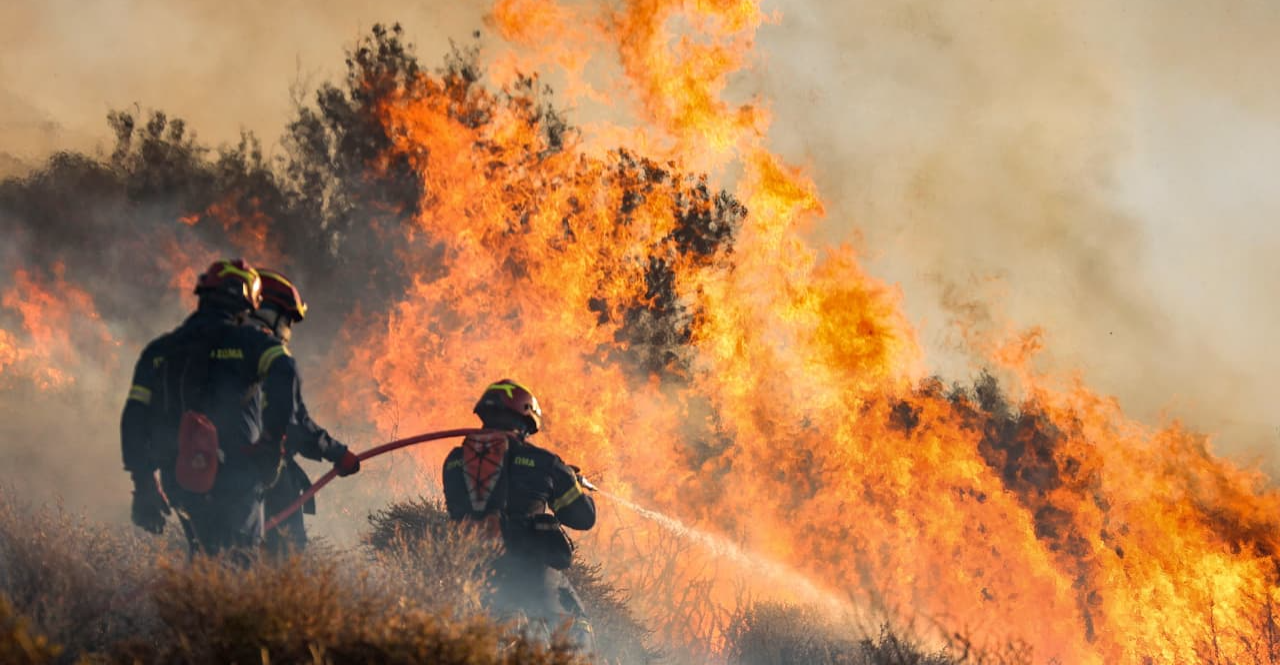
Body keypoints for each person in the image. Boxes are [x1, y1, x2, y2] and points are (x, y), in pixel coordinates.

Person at [120, 258, 298, 556]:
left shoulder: (160, 349)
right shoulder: (251, 343)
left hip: (180, 477)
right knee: (236, 562)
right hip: (237, 476)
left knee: (202, 556)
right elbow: (285, 373)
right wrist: (271, 443)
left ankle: (198, 601)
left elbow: (135, 419)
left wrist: (144, 484)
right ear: (245, 301)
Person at [441, 380, 597, 648]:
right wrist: (570, 479)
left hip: (470, 573)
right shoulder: (544, 462)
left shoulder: (454, 461)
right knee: (576, 628)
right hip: (531, 573)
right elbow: (583, 517)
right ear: (526, 420)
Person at [248, 269, 359, 554]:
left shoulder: (215, 349)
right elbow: (294, 424)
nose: (287, 328)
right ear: (268, 312)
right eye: (286, 319)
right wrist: (337, 453)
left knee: (218, 558)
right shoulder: (271, 355)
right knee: (285, 552)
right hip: (263, 471)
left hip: (209, 474)